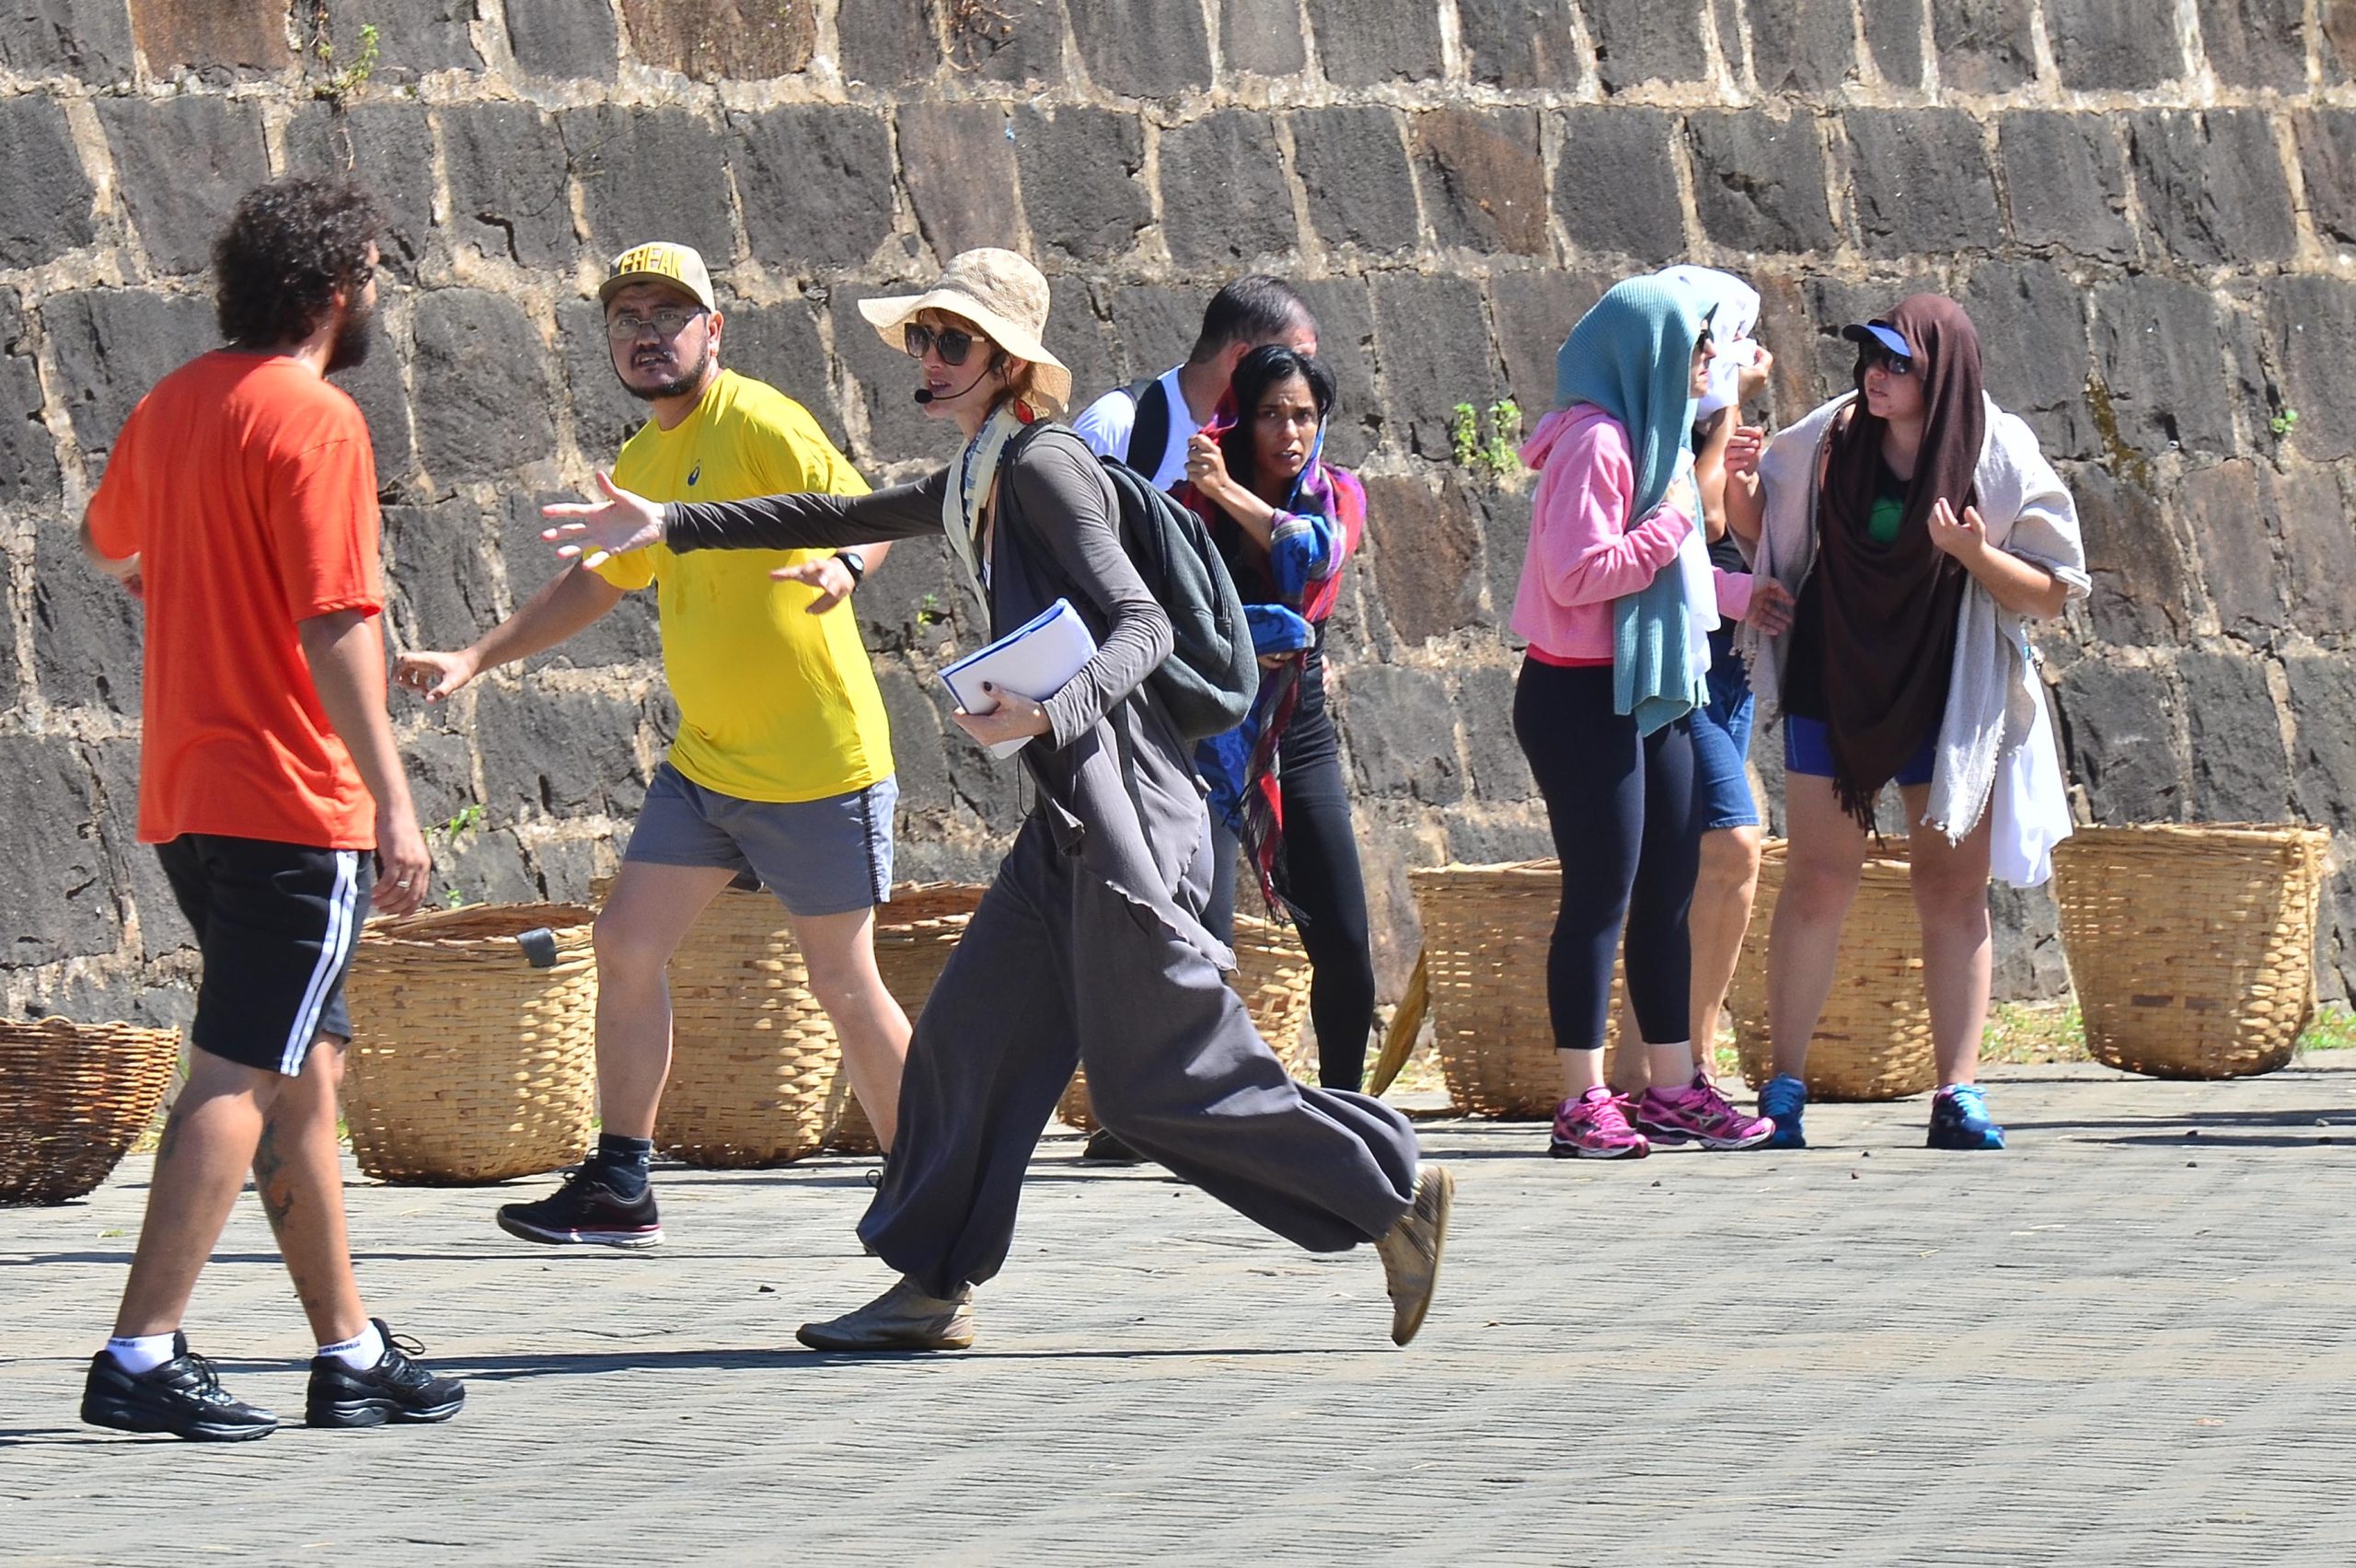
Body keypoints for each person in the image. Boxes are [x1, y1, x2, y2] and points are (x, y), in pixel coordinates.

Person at [544, 248, 1453, 1350]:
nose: (926, 356)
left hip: (1123, 820)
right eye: (921, 337)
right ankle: (929, 1285)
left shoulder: (1041, 468)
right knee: (966, 1049)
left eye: (951, 341)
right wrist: (672, 527)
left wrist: (1051, 713)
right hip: (1064, 829)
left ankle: (1389, 1197)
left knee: (1153, 1087)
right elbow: (834, 513)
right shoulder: (981, 470)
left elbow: (1143, 630)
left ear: (1007, 363)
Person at [395, 241, 911, 1249]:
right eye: (627, 317)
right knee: (625, 944)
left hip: (815, 764)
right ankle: (622, 1183)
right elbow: (599, 580)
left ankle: (931, 1186)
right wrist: (475, 656)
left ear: (712, 331)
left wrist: (846, 564)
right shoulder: (640, 462)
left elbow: (870, 513)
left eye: (667, 314)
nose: (645, 333)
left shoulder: (760, 419)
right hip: (709, 762)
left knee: (844, 984)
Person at [76, 176, 463, 1440]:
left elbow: (108, 544)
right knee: (242, 1070)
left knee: (306, 1072)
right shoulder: (318, 418)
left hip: (191, 795)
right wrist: (394, 804)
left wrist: (185, 582)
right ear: (338, 291)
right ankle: (139, 1355)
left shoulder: (175, 402)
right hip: (294, 799)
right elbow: (336, 616)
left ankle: (347, 1349)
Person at [1727, 295, 2086, 1151]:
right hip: (1834, 676)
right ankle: (1782, 1090)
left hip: (1944, 687)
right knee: (1819, 880)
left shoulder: (1996, 453)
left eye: (1898, 363)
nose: (1876, 376)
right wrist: (1740, 485)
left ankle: (1957, 1092)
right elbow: (1762, 531)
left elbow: (2053, 591)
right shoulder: (1830, 435)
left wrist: (1972, 553)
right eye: (1870, 360)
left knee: (1951, 890)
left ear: (1943, 373)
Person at [1509, 276, 1792, 1159]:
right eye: (1697, 345)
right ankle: (1581, 1099)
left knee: (1670, 886)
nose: (1708, 360)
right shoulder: (1596, 441)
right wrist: (1673, 527)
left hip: (1655, 685)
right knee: (1602, 892)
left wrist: (1736, 590)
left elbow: (1668, 577)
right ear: (1650, 350)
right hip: (1582, 693)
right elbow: (1576, 575)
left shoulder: (1656, 432)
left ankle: (1672, 1088)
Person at [1174, 344, 1377, 1092]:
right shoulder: (1188, 505)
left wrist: (1230, 492)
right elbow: (1163, 610)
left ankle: (1346, 1107)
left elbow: (1315, 556)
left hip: (1300, 730)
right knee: (1203, 935)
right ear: (1239, 419)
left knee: (1346, 940)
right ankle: (1188, 1107)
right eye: (1270, 415)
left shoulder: (1338, 493)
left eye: (1304, 416)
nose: (1289, 433)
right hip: (1209, 739)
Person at [1608, 267, 1777, 1095]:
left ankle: (1642, 1071)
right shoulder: (1653, 424)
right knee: (1734, 842)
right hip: (1677, 664)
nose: (1731, 355)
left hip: (1729, 666)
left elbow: (1737, 522)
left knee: (1676, 867)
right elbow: (1698, 522)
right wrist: (1728, 414)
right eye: (1715, 340)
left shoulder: (1710, 425)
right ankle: (1695, 1058)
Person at [1071, 274, 1318, 486]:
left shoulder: (1285, 431)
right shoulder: (1116, 425)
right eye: (1294, 362)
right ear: (1241, 357)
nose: (1306, 378)